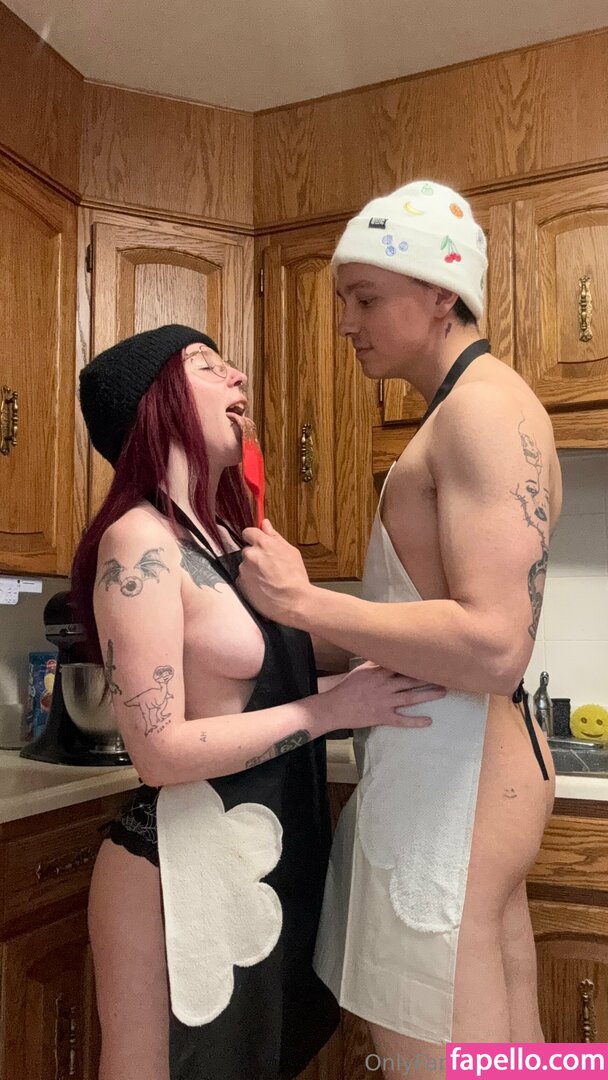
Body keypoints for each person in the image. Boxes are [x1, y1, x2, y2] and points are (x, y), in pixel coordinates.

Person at [237, 181, 561, 1071]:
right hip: (462, 767)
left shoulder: (481, 411)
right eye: (344, 299)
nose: (346, 323)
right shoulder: (464, 410)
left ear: (441, 294)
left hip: (460, 780)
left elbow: (494, 646)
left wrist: (303, 602)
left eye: (367, 298)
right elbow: (411, 622)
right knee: (510, 1058)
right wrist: (269, 626)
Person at [71, 324, 445, 1080]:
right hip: (170, 871)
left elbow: (278, 682)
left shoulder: (229, 540)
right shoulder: (136, 543)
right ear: (156, 401)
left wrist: (402, 648)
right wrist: (331, 711)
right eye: (207, 365)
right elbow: (159, 751)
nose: (238, 375)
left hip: (266, 855)